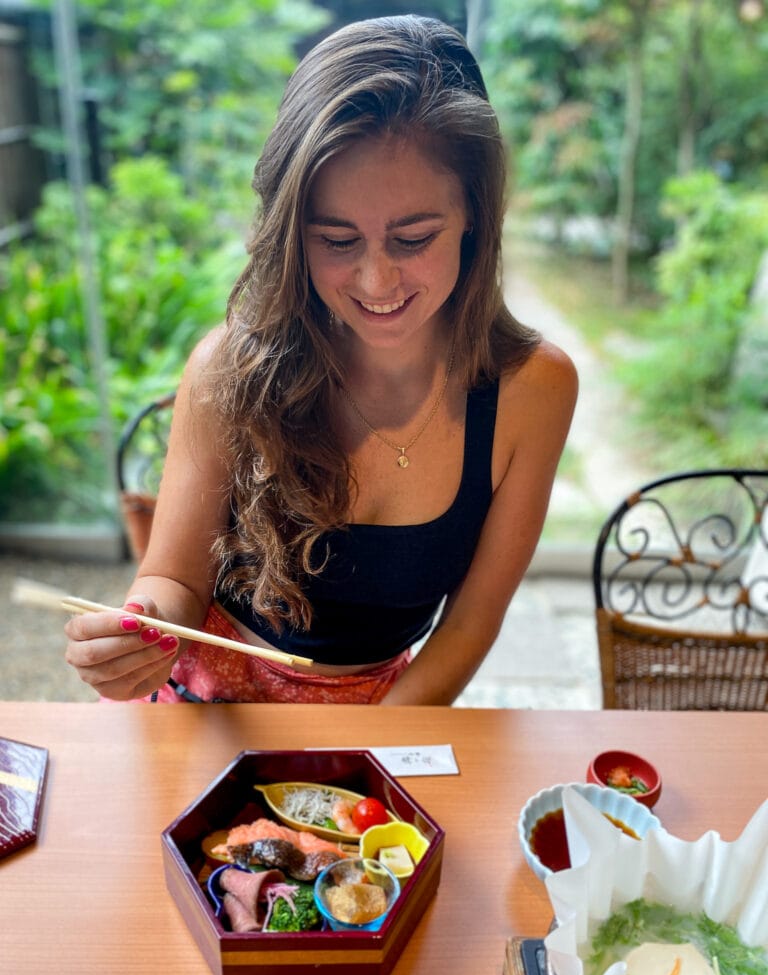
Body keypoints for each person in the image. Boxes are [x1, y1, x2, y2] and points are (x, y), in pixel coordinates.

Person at [64, 14, 578, 705]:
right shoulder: (229, 369)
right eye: (336, 241)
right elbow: (174, 583)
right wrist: (143, 632)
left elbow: (471, 622)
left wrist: (366, 754)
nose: (376, 282)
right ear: (292, 236)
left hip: (388, 710)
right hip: (210, 708)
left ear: (476, 218)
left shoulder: (534, 389)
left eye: (413, 237)